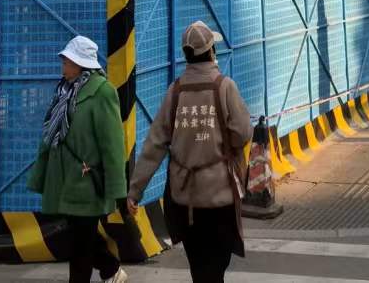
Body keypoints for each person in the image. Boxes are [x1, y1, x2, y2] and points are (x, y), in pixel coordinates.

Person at [125, 22, 253, 283]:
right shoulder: (225, 87)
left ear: (186, 55)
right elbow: (242, 133)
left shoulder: (175, 91)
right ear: (211, 51)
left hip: (184, 200)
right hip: (219, 199)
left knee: (199, 265)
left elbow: (154, 145)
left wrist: (134, 191)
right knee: (216, 266)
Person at [27, 35, 129, 283]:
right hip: (62, 180)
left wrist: (118, 190)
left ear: (81, 64)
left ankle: (109, 270)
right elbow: (51, 133)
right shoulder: (64, 90)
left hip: (86, 182)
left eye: (67, 62)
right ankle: (111, 269)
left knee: (80, 247)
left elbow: (113, 144)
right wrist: (41, 174)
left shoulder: (102, 92)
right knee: (78, 238)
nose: (63, 66)